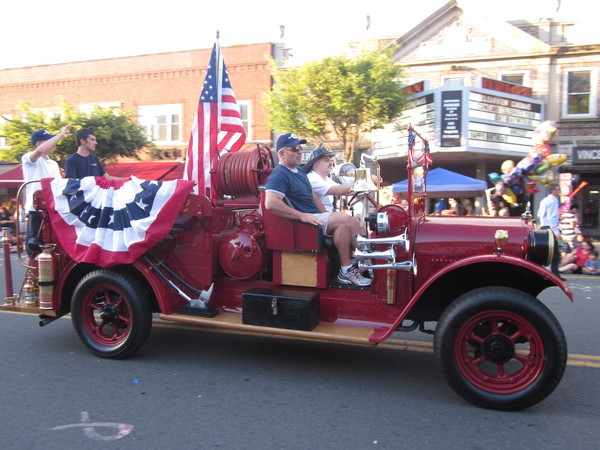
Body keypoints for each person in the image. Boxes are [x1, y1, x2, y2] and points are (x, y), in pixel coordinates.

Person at [264, 133, 370, 287]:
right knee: (346, 219)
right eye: (294, 149)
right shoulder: (279, 174)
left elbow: (312, 195)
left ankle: (352, 269)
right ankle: (366, 266)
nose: (300, 152)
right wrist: (302, 216)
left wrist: (325, 214)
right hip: (304, 223)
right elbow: (271, 203)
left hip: (314, 217)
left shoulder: (300, 171)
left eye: (300, 148)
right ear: (282, 154)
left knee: (346, 224)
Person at [22, 126, 71, 253]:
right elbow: (38, 152)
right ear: (39, 143)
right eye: (50, 141)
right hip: (37, 210)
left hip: (54, 208)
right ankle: (31, 266)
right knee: (35, 247)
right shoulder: (29, 159)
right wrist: (59, 135)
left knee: (53, 245)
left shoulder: (53, 163)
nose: (54, 144)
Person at [537, 183, 562, 278]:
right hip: (550, 227)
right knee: (554, 252)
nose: (559, 191)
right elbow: (552, 218)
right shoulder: (553, 202)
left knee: (546, 251)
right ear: (553, 190)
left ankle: (549, 272)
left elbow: (539, 214)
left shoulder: (544, 200)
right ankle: (555, 274)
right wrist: (556, 232)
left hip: (544, 226)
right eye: (557, 189)